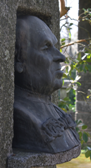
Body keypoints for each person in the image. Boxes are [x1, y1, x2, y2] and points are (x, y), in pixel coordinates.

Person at [13, 16, 80, 153]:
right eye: (46, 47)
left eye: (54, 46)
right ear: (19, 59)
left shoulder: (56, 111)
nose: (61, 57)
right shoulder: (21, 114)